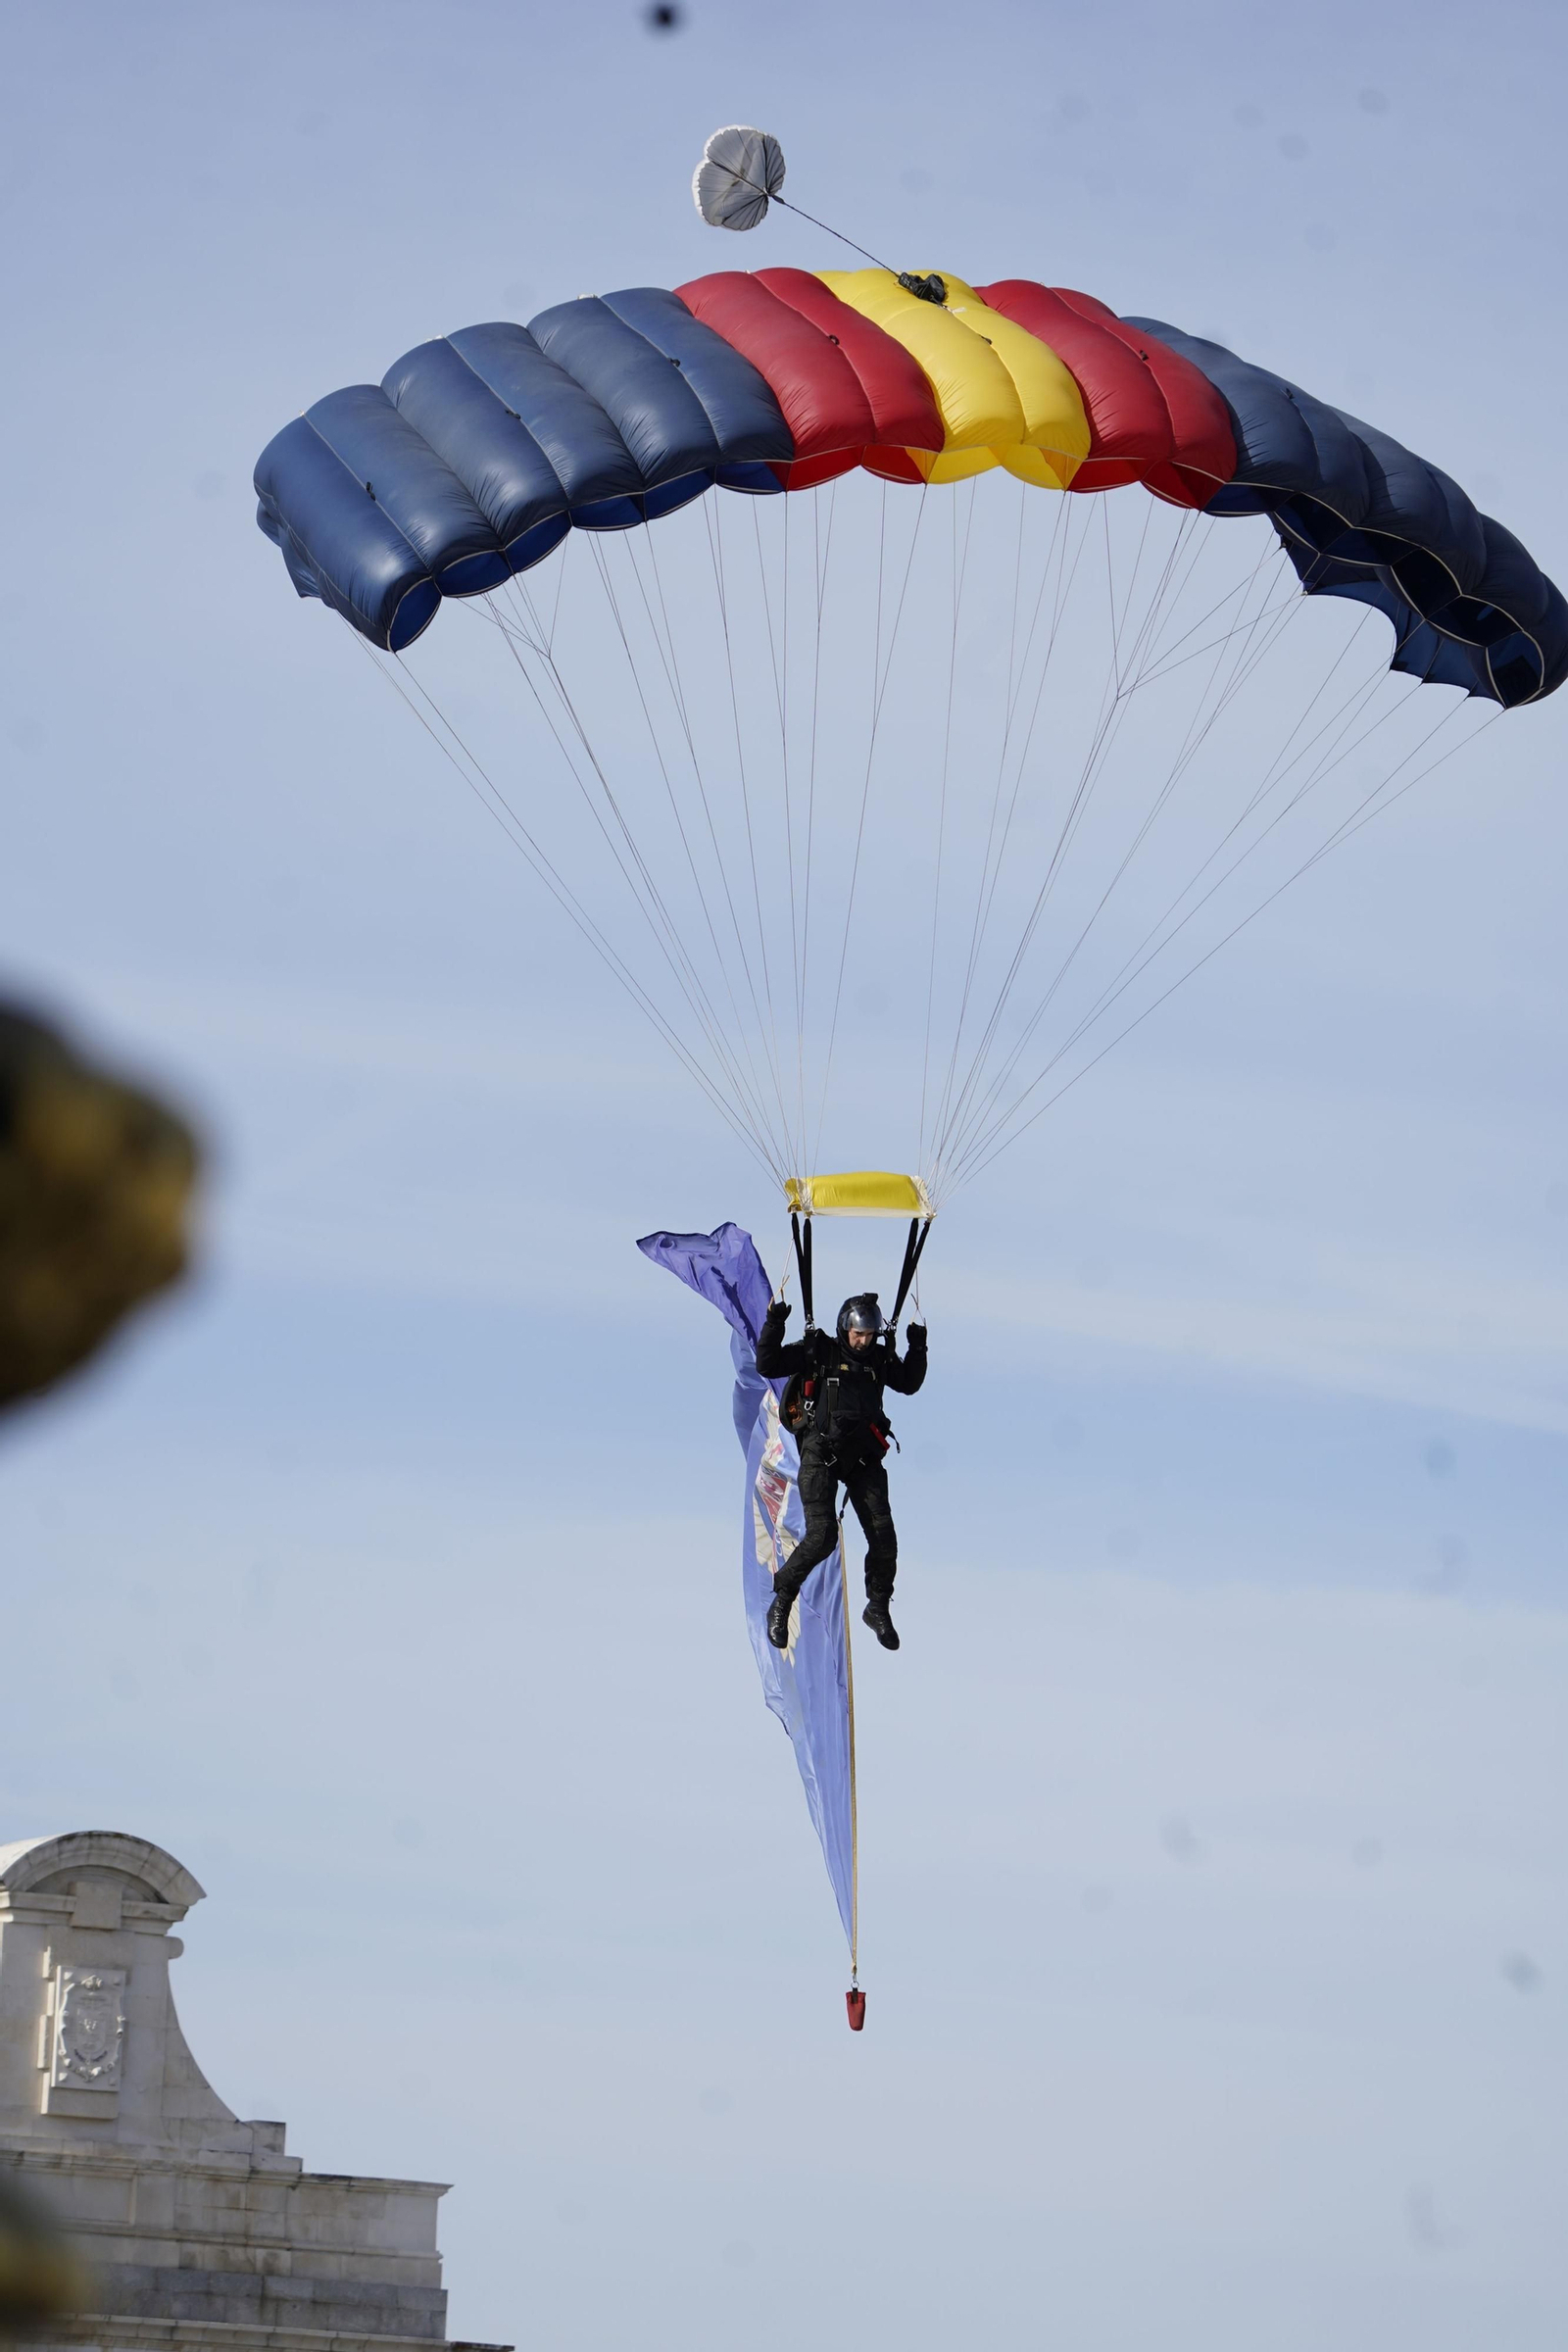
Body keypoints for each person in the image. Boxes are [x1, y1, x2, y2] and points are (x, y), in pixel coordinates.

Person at [754, 1290, 927, 1652]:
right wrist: (775, 1322)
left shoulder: (878, 1360)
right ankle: (782, 1599)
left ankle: (877, 1606)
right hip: (822, 1454)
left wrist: (917, 1344)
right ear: (845, 1329)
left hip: (863, 1458)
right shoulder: (820, 1351)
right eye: (857, 1334)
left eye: (869, 1335)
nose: (863, 1342)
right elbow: (767, 1365)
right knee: (823, 1535)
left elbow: (909, 1382)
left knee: (884, 1537)